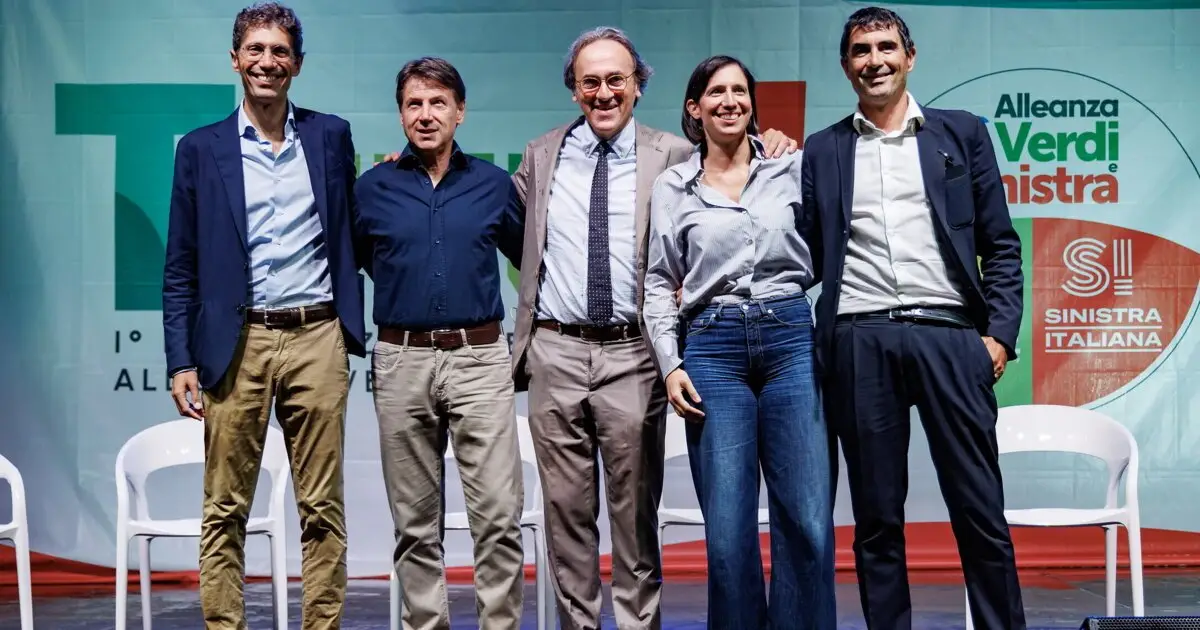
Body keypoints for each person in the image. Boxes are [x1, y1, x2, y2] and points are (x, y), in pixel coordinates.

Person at [508, 27, 797, 629]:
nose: (604, 92)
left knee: (635, 520)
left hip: (633, 354)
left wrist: (769, 139)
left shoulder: (674, 154)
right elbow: (513, 233)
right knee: (566, 520)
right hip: (556, 351)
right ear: (573, 90)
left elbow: (734, 168)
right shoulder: (541, 155)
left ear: (638, 85)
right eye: (590, 81)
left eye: (617, 79)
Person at [801, 6, 1027, 629]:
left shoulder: (962, 133)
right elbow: (803, 251)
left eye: (885, 47)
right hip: (859, 339)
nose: (874, 60)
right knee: (876, 520)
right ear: (845, 65)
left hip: (950, 335)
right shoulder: (823, 150)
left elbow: (1000, 245)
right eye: (860, 50)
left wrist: (998, 337)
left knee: (980, 511)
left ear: (909, 56)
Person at [161, 2, 364, 629]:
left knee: (322, 508)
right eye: (256, 49)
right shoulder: (201, 148)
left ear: (297, 64)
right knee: (225, 508)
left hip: (317, 334)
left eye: (280, 51)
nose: (267, 61)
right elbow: (180, 263)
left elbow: (355, 225)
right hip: (236, 341)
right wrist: (180, 359)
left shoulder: (330, 136)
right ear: (235, 59)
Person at [642, 55, 835, 629]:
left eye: (740, 91)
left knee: (808, 521)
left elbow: (829, 245)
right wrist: (670, 363)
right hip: (712, 347)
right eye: (716, 92)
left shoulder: (792, 167)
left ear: (752, 102)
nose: (730, 101)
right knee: (727, 535)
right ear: (694, 108)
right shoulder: (673, 186)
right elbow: (659, 280)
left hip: (790, 339)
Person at [354, 57, 526, 630]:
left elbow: (534, 262)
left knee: (498, 517)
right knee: (414, 524)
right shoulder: (372, 189)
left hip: (480, 359)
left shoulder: (494, 186)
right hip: (401, 359)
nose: (425, 115)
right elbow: (358, 262)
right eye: (414, 104)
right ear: (401, 113)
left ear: (460, 112)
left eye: (437, 103)